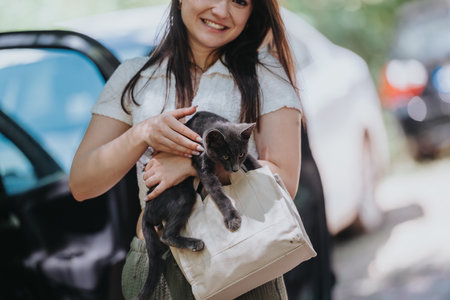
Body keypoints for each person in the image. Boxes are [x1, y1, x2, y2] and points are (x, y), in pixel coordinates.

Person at [69, 0, 302, 298]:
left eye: (240, 1)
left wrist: (192, 165)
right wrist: (143, 133)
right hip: (156, 264)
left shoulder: (266, 74)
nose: (221, 10)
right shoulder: (135, 76)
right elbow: (81, 183)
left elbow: (286, 181)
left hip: (242, 260)